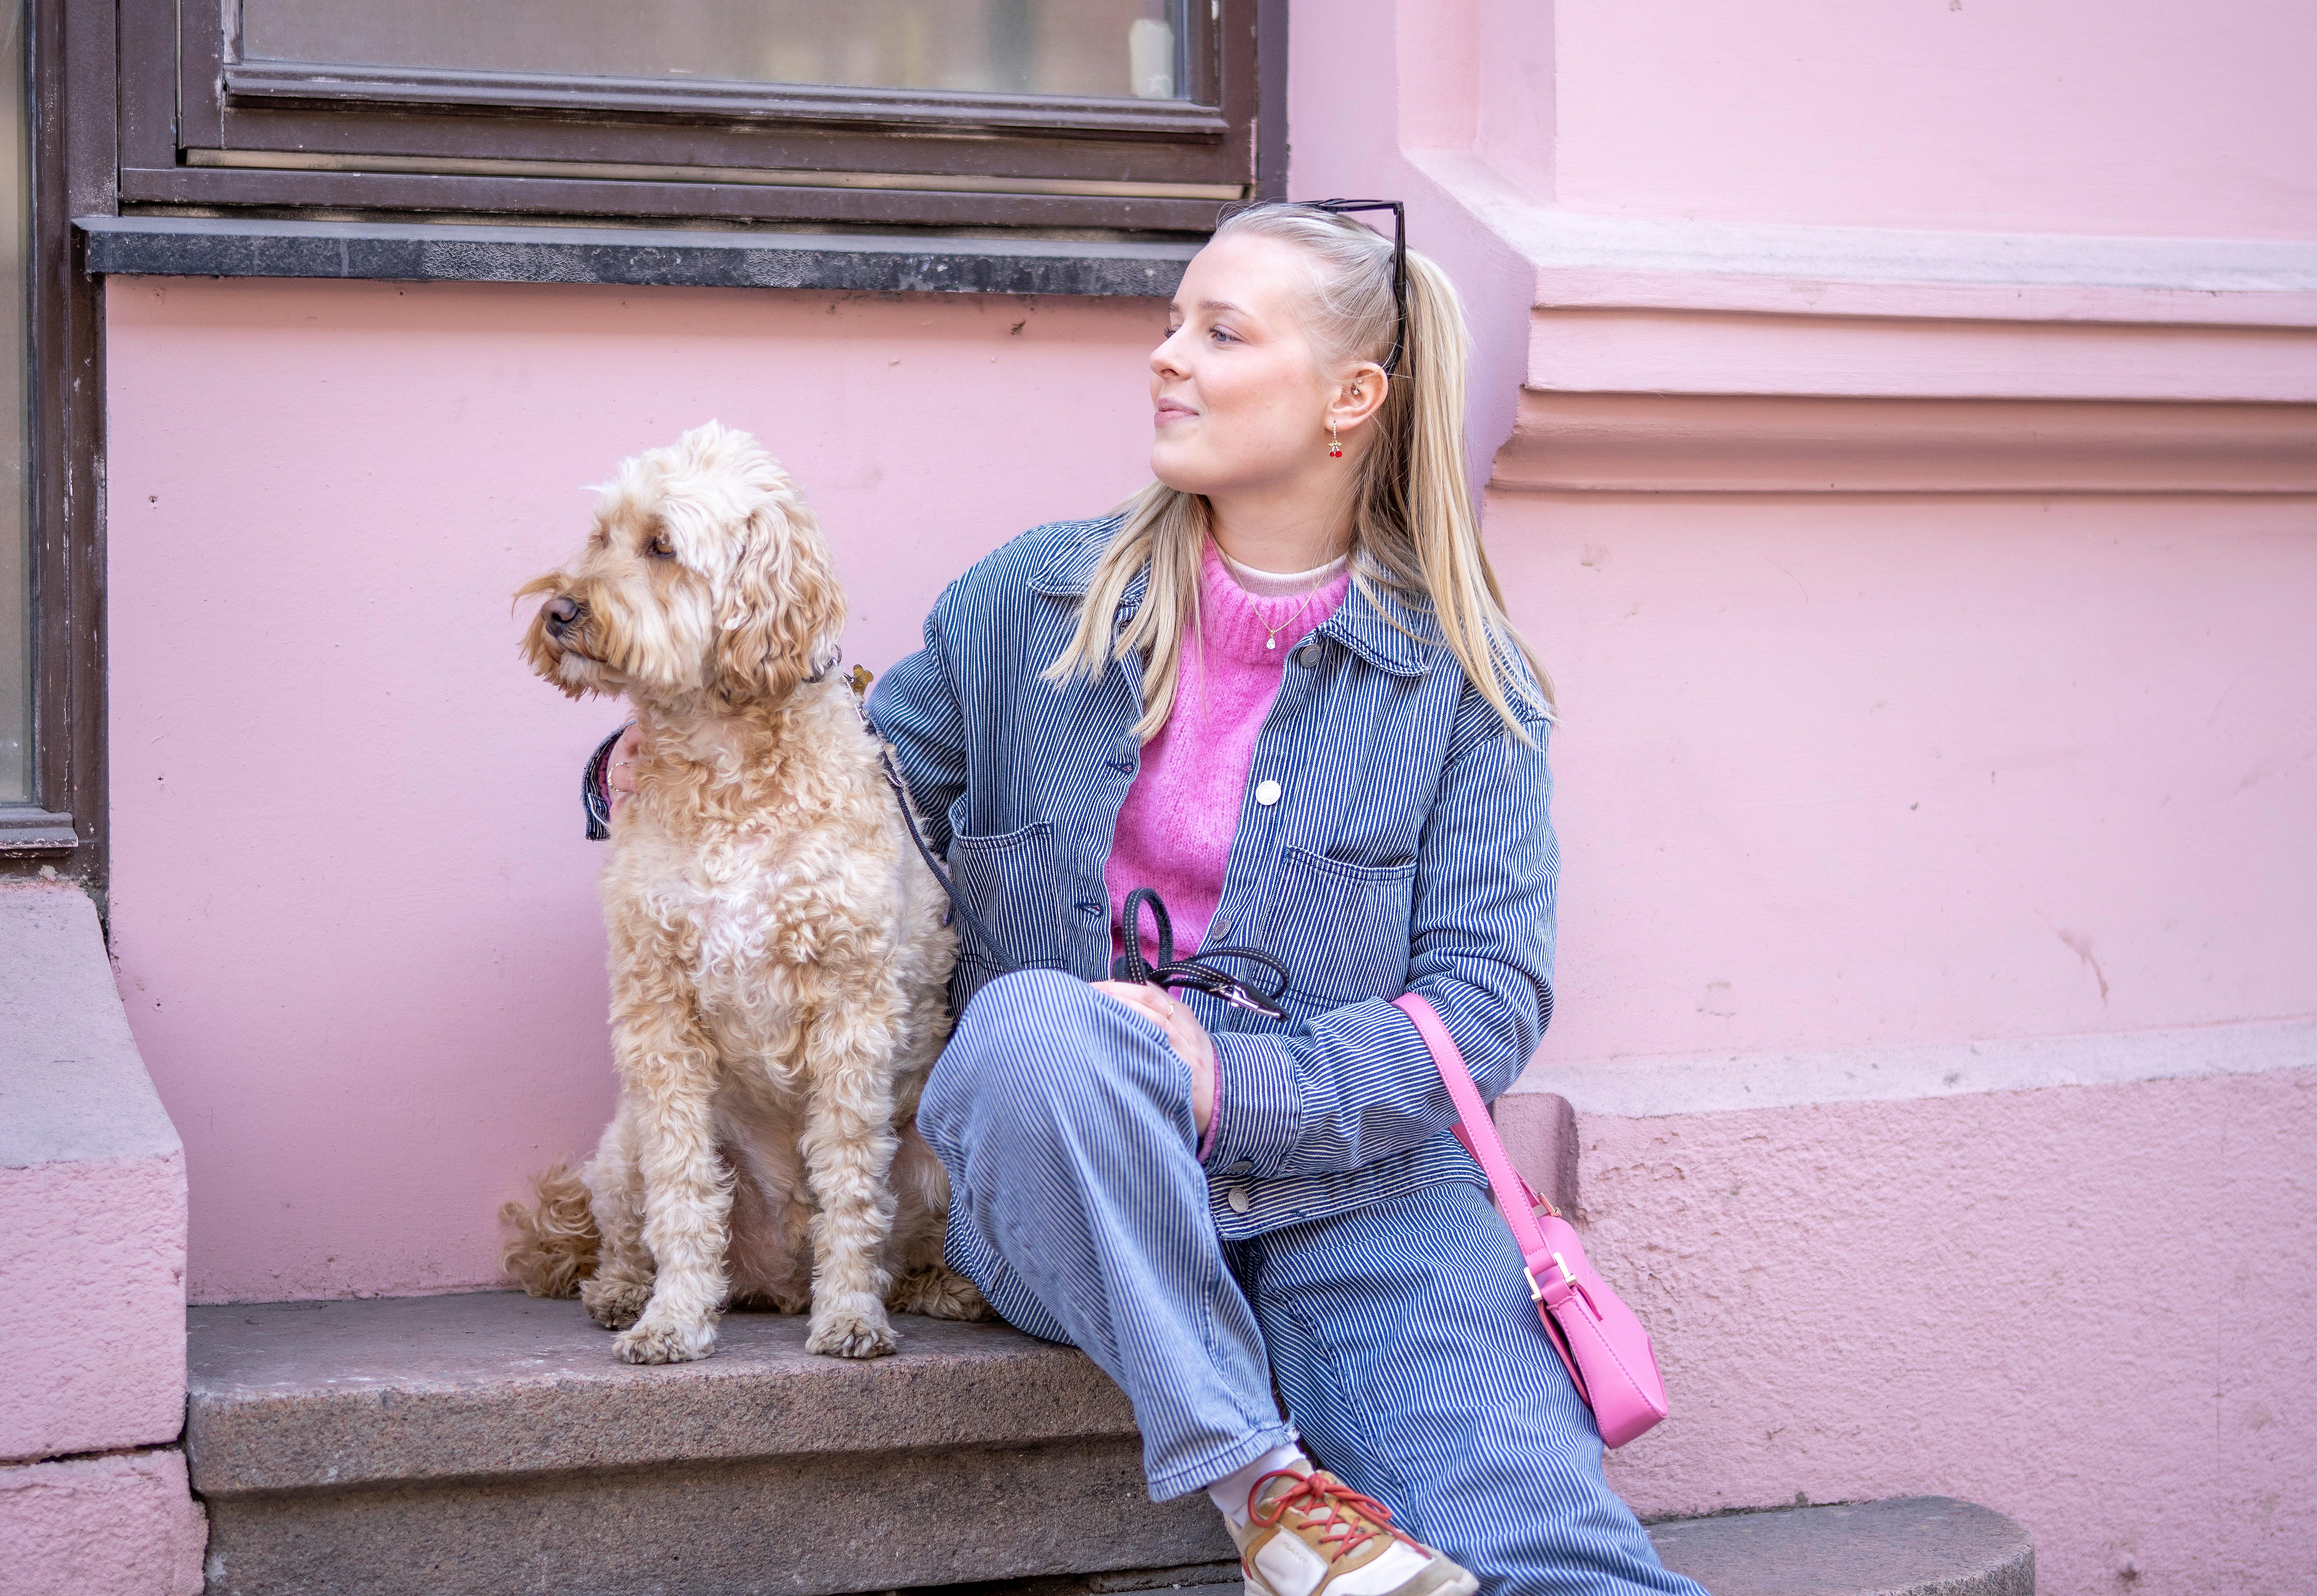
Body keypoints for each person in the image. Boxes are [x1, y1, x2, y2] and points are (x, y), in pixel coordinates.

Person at [605, 202, 1704, 1596]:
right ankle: (1269, 1493)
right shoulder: (1025, 604)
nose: (1165, 357)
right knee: (1032, 1031)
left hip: (1358, 1195)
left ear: (1348, 401)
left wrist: (1223, 1081)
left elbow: (1481, 1008)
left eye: (1220, 331)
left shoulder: (1465, 688)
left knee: (1553, 1544)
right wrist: (660, 752)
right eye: (1173, 320)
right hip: (1055, 1175)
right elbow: (857, 792)